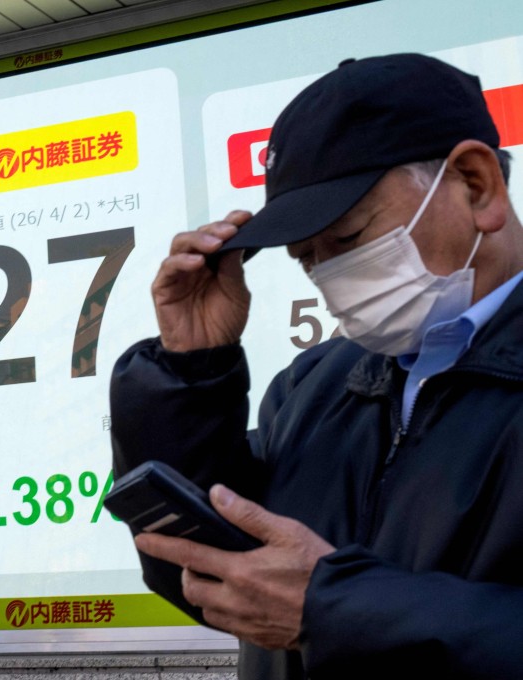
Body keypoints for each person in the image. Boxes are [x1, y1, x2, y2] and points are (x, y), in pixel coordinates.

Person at [109, 53, 523, 679]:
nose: (331, 275)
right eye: (308, 259)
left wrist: (335, 610)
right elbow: (208, 580)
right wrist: (191, 373)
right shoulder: (313, 387)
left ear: (475, 184)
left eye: (350, 239)